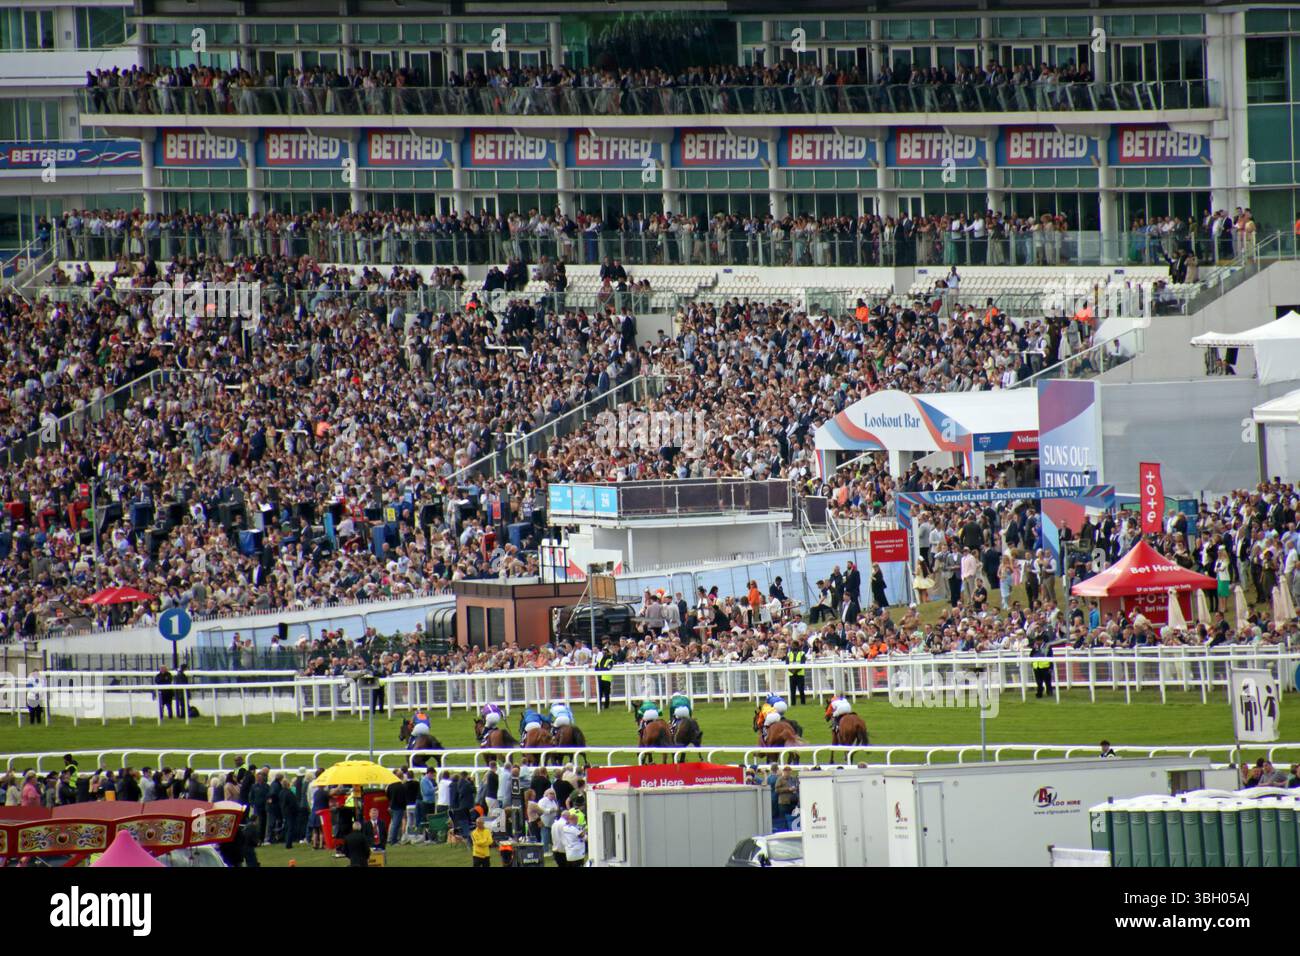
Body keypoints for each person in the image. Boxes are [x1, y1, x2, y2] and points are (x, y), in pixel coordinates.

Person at [786, 639, 807, 705]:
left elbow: (802, 663)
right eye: (792, 646)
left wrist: (794, 671)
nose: (793, 647)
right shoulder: (789, 654)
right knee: (792, 691)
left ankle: (803, 703)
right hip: (792, 675)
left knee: (801, 690)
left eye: (794, 646)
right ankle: (793, 704)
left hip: (800, 674)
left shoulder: (802, 653)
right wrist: (792, 671)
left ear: (798, 646)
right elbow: (787, 664)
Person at [595, 643, 615, 708]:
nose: (604, 653)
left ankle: (606, 706)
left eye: (606, 651)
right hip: (600, 678)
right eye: (603, 651)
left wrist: (600, 669)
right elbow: (596, 668)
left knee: (606, 694)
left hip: (606, 679)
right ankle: (599, 706)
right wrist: (600, 670)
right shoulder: (600, 660)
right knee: (599, 693)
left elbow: (608, 668)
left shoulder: (610, 660)